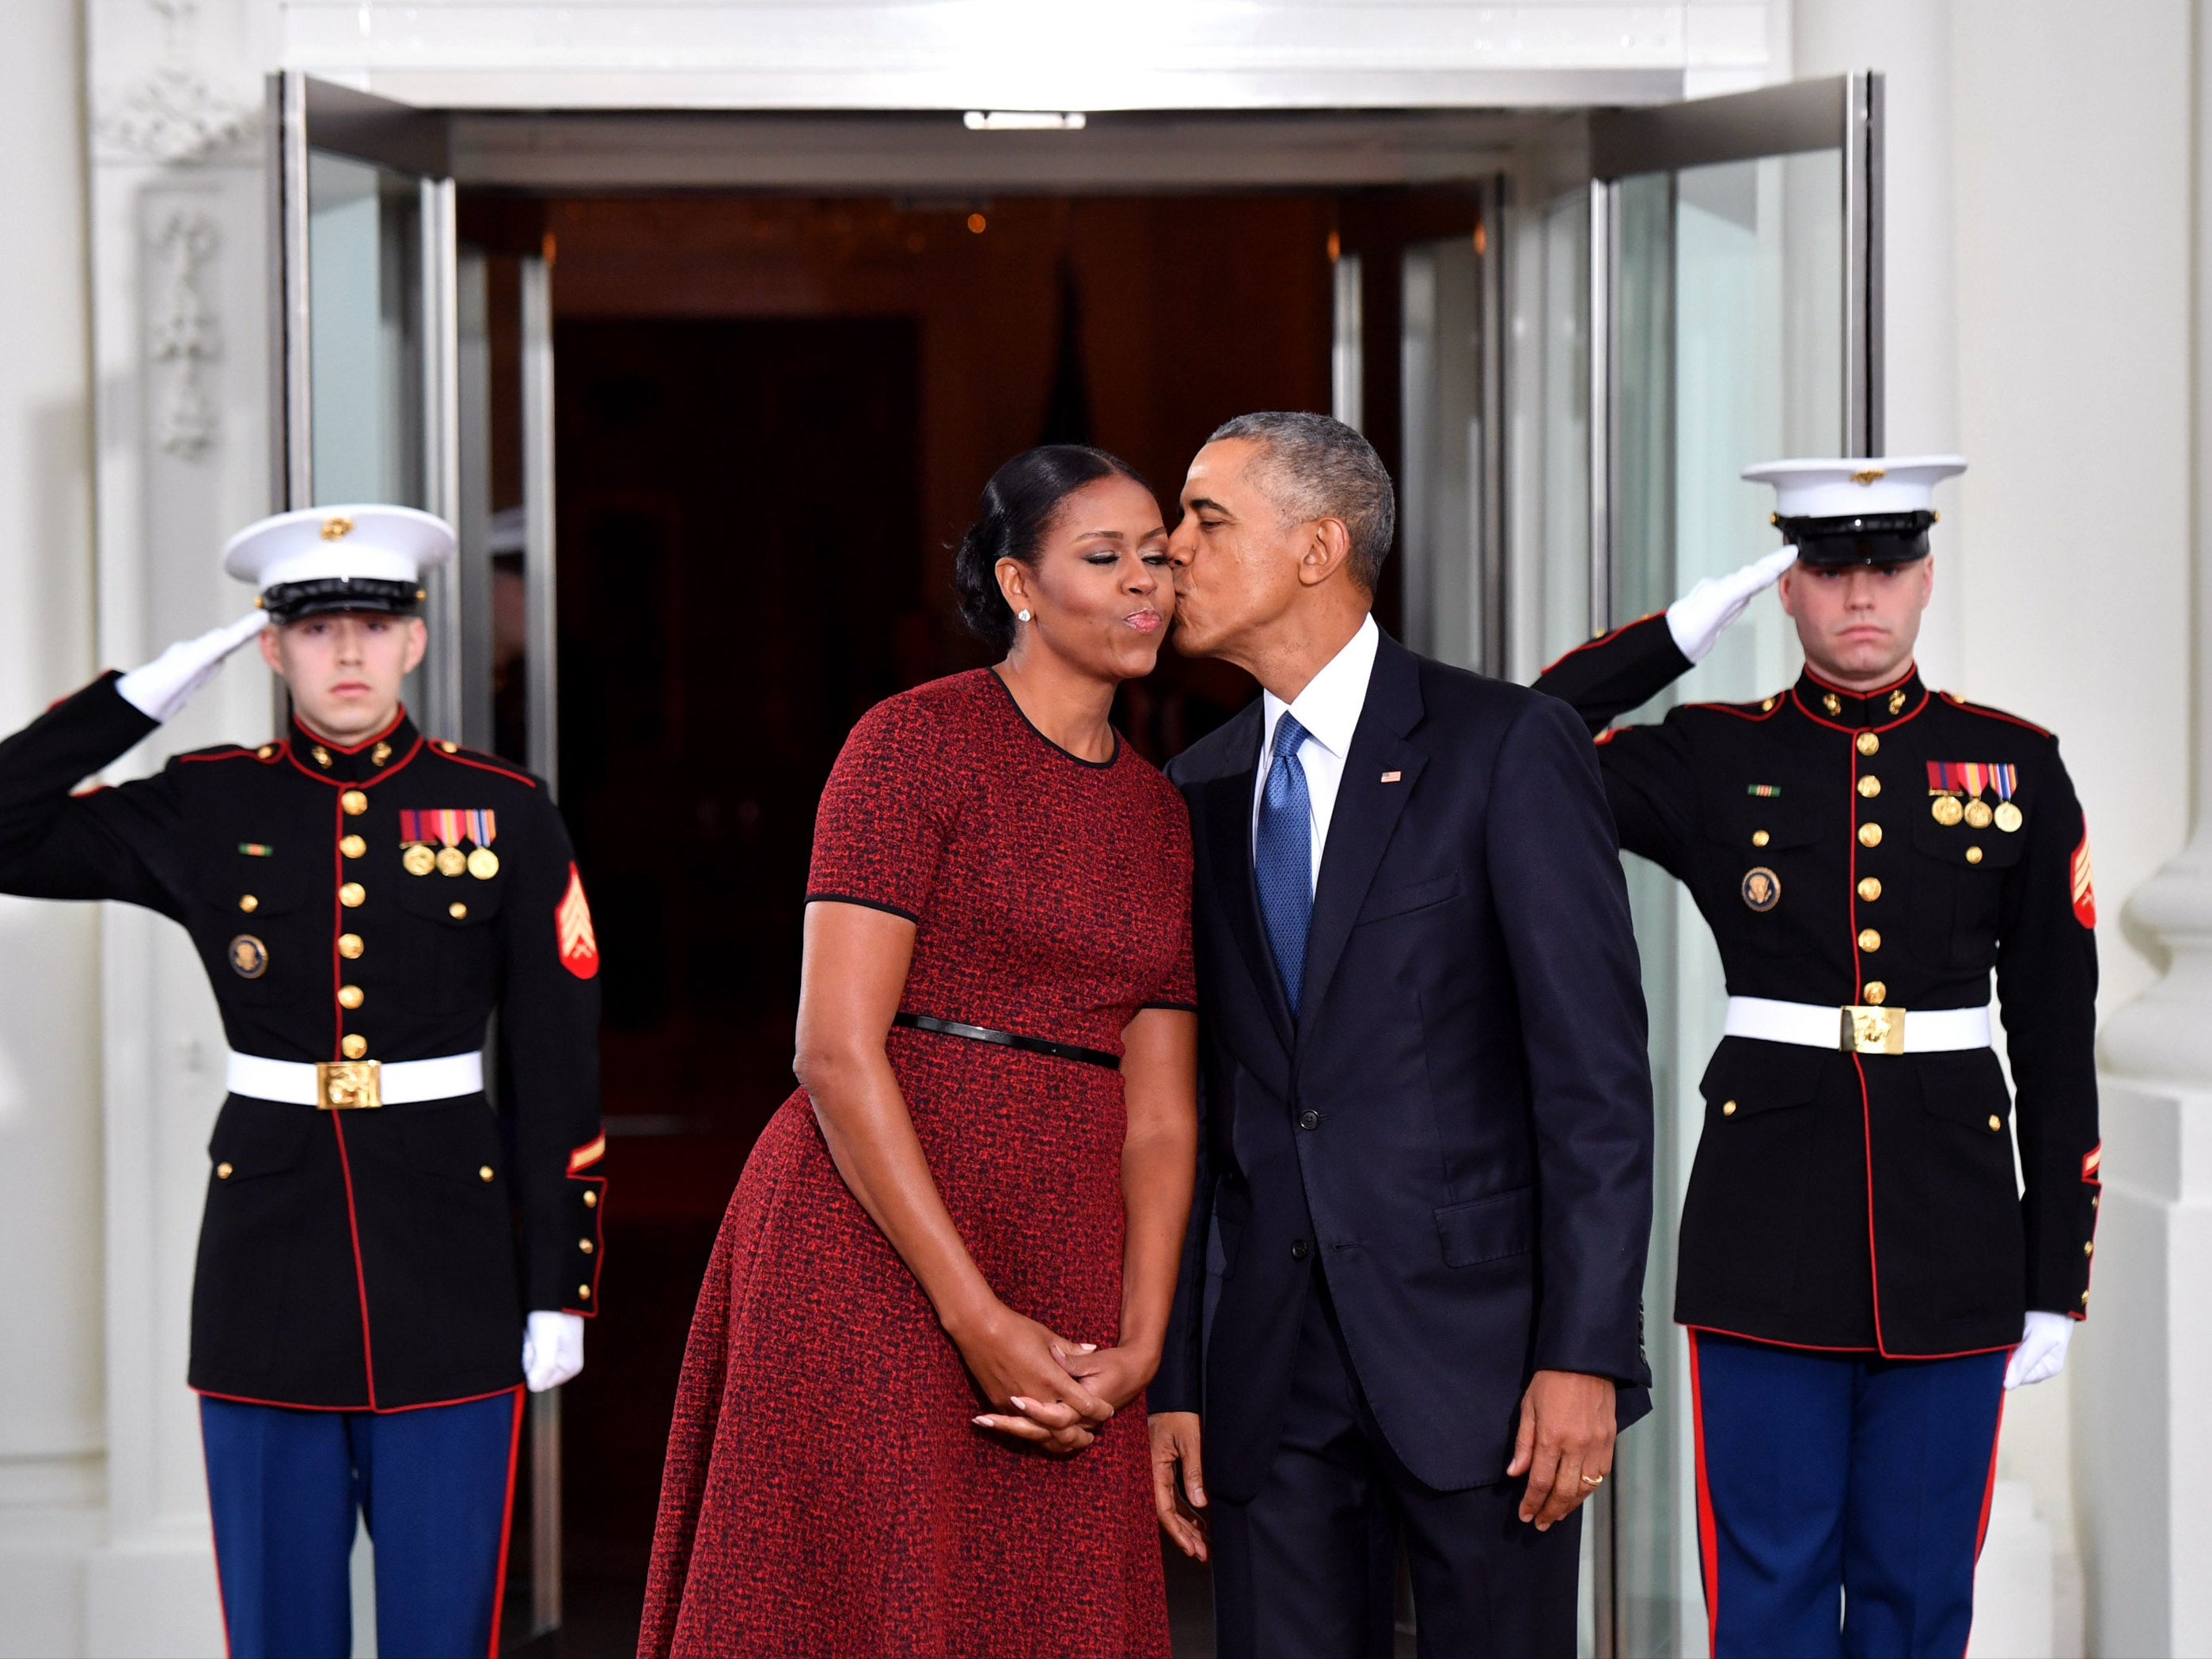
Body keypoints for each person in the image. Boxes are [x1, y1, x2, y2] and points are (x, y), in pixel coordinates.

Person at [0, 504, 605, 1658]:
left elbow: (559, 1056)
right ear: (269, 648)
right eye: (315, 628)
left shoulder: (507, 813)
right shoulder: (209, 802)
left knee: (441, 1631)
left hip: (451, 1268)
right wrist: (140, 697)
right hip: (266, 1265)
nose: (345, 654)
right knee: (281, 1634)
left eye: (371, 629)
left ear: (415, 643)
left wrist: (557, 1285)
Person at [638, 446, 1200, 1658]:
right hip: (870, 1241)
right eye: (1104, 558)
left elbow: (1161, 1116)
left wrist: (1142, 1343)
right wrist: (975, 1317)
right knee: (861, 1604)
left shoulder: (1163, 813)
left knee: (1051, 1608)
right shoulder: (912, 744)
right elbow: (834, 1051)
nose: (1145, 583)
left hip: (1069, 1255)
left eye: (1158, 555)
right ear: (1020, 585)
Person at [1531, 456, 2099, 1657]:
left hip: (1956, 1231)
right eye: (1827, 567)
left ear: (1926, 581)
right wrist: (1677, 634)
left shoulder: (2017, 765)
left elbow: (2055, 1035)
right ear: (1786, 589)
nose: (1860, 594)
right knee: (1771, 1588)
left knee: (1919, 1590)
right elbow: (1529, 746)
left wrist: (2057, 1273)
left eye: (1887, 567)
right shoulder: (1709, 756)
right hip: (1764, 1227)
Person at [1146, 412, 1656, 1659]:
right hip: (1268, 1378)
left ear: (1319, 548)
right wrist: (1180, 1381)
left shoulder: (1503, 746)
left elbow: (1594, 1086)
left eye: (1207, 520)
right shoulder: (1195, 790)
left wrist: (1583, 1354)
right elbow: (1203, 1114)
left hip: (1487, 1374)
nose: (1171, 550)